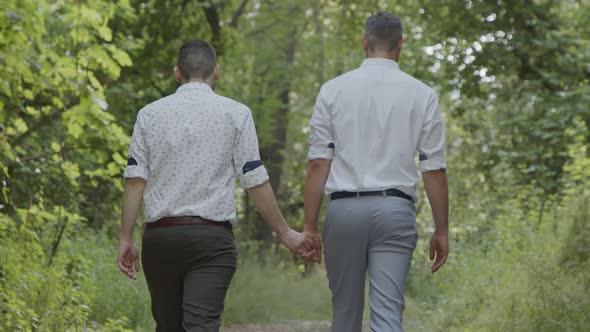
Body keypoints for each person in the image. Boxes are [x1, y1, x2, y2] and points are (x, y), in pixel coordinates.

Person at [117, 39, 311, 332]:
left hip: (161, 240)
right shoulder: (236, 114)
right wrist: (285, 233)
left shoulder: (149, 115)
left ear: (176, 73)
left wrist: (125, 237)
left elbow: (135, 181)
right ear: (216, 72)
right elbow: (254, 181)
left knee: (168, 326)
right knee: (202, 325)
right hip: (211, 241)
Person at [301, 11, 449, 332]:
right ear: (401, 44)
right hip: (395, 211)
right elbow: (433, 170)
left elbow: (318, 164)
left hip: (344, 212)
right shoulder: (422, 94)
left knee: (344, 313)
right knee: (388, 315)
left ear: (364, 42)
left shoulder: (332, 90)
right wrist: (441, 230)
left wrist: (309, 226)